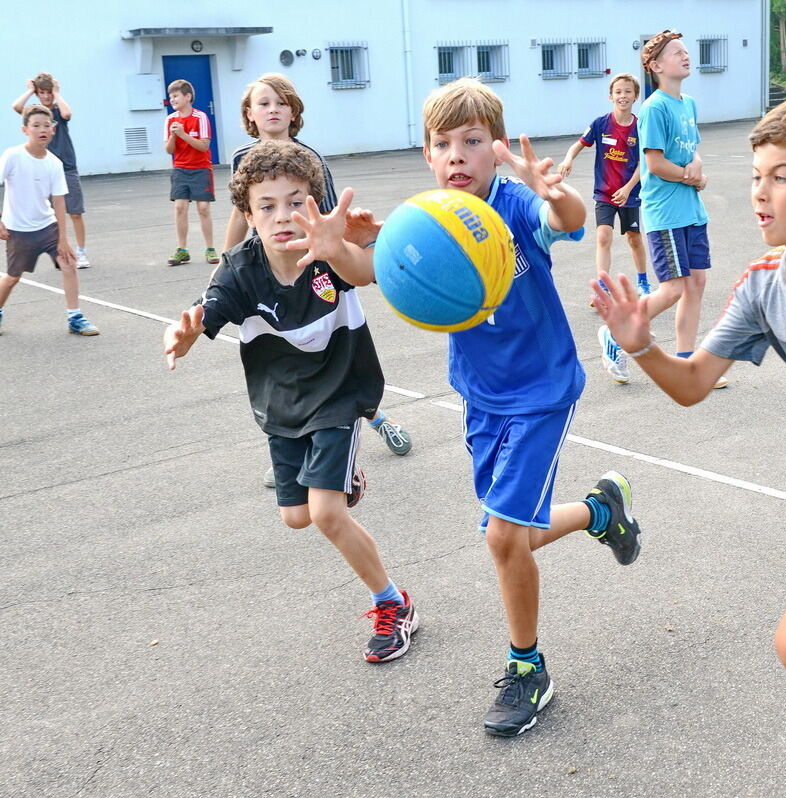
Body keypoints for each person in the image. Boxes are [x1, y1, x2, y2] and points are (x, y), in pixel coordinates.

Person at [591, 94, 786, 796]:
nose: (760, 193)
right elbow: (693, 384)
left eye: (782, 176)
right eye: (757, 174)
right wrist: (641, 347)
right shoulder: (763, 287)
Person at [421, 78, 642, 736]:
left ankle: (528, 670)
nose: (457, 154)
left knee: (500, 535)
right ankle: (602, 510)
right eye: (443, 144)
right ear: (428, 157)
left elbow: (566, 221)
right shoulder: (431, 218)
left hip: (541, 392)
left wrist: (557, 193)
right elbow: (383, 269)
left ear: (495, 151)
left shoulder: (517, 206)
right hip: (481, 395)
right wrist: (342, 248)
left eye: (472, 140)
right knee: (510, 535)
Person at [163, 140, 418, 663]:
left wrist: (373, 238)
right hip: (281, 403)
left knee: (326, 514)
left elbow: (370, 270)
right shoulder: (238, 271)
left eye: (296, 201)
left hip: (341, 390)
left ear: (315, 204)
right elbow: (204, 310)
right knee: (297, 517)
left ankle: (393, 604)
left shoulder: (329, 251)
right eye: (268, 206)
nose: (283, 215)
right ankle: (343, 479)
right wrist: (182, 334)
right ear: (249, 215)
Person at [224, 74, 413, 479]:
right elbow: (241, 214)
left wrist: (351, 256)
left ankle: (377, 422)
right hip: (271, 277)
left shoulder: (309, 160)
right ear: (249, 116)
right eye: (262, 103)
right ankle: (294, 453)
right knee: (280, 368)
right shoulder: (243, 158)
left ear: (293, 112)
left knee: (333, 361)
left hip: (316, 274)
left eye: (280, 102)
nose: (272, 109)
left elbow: (330, 222)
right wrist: (226, 261)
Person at [598, 31, 726, 388]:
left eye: (687, 52)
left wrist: (696, 169)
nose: (686, 57)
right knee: (672, 288)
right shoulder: (653, 108)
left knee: (697, 283)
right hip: (666, 213)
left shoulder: (689, 104)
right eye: (677, 53)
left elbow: (692, 149)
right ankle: (616, 334)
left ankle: (687, 363)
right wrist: (691, 178)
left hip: (692, 211)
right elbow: (654, 164)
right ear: (655, 66)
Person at [557, 72, 654, 308]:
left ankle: (643, 283)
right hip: (605, 193)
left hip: (629, 193)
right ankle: (602, 287)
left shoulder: (641, 126)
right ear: (610, 96)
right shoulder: (601, 124)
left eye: (628, 92)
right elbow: (578, 145)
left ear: (636, 96)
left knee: (634, 238)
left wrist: (629, 187)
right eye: (618, 92)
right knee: (603, 236)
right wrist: (568, 159)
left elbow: (645, 161)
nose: (623, 96)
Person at [0, 105, 98, 336]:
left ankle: (74, 317)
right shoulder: (12, 156)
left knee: (69, 263)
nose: (42, 130)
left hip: (47, 227)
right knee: (13, 278)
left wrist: (63, 239)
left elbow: (59, 202)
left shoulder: (54, 163)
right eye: (36, 126)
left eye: (46, 125)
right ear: (25, 129)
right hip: (18, 230)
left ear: (53, 130)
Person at [11, 73, 91, 268]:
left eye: (49, 93)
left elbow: (67, 114)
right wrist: (30, 90)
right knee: (51, 215)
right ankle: (60, 250)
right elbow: (16, 107)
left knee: (75, 213)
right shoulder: (34, 113)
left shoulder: (56, 111)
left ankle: (81, 252)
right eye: (42, 93)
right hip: (43, 169)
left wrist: (57, 93)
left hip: (67, 167)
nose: (46, 96)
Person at [163, 80, 218, 267]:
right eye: (171, 97)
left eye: (176, 96)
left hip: (201, 168)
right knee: (180, 207)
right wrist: (173, 135)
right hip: (180, 169)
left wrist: (184, 135)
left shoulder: (200, 117)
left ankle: (210, 248)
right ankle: (182, 250)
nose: (173, 100)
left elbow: (204, 146)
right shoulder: (170, 120)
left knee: (203, 208)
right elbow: (169, 150)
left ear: (187, 97)